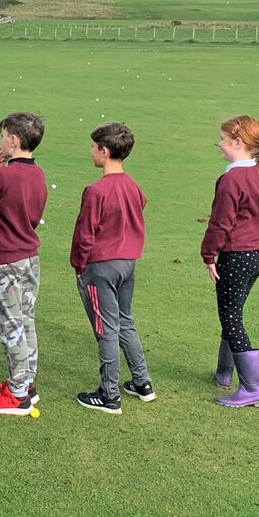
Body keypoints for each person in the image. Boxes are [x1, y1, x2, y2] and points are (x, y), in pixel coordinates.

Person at [202, 115, 259, 408]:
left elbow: (220, 223)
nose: (220, 146)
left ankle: (252, 388)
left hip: (237, 257)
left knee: (231, 318)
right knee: (232, 311)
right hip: (257, 255)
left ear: (237, 143)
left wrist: (208, 255)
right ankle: (224, 373)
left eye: (223, 140)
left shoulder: (231, 179)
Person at [70, 123, 153, 414]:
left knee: (106, 329)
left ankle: (109, 394)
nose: (91, 152)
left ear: (104, 152)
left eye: (93, 148)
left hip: (101, 267)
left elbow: (84, 234)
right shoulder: (132, 184)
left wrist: (79, 267)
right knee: (125, 321)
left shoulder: (96, 190)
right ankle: (143, 383)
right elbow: (138, 207)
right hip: (127, 264)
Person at [0, 112, 49, 416]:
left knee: (10, 324)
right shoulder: (38, 174)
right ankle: (25, 382)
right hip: (30, 257)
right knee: (25, 319)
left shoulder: (3, 176)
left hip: (6, 259)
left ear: (14, 141)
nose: (1, 142)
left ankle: (18, 394)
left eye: (3, 136)